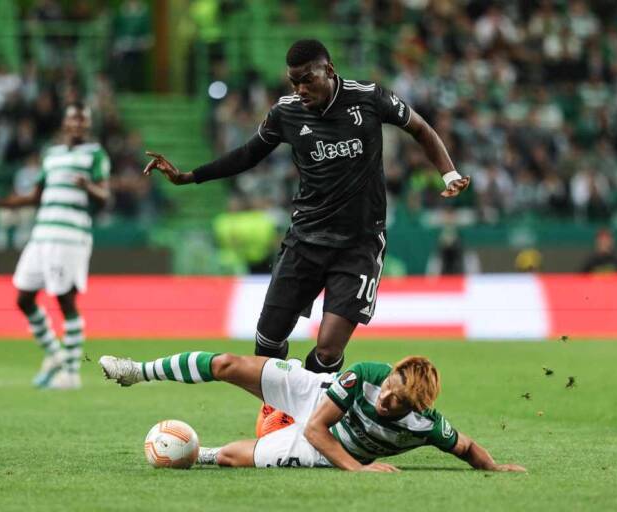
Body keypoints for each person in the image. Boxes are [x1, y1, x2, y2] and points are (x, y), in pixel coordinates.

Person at [142, 39, 469, 379]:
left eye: (306, 79)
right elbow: (247, 154)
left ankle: (311, 412)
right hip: (305, 240)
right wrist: (189, 177)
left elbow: (420, 128)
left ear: (328, 70)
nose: (299, 89)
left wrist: (449, 173)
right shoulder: (286, 112)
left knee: (328, 349)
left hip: (360, 244)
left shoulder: (369, 97)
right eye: (293, 81)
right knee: (267, 341)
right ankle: (279, 412)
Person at [99, 351, 526, 473]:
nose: (386, 398)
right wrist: (359, 472)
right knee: (228, 364)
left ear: (416, 408)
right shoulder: (367, 376)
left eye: (397, 400)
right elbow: (319, 424)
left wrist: (495, 466)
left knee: (230, 458)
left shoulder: (427, 425)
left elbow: (466, 447)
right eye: (390, 386)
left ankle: (199, 452)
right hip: (319, 400)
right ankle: (137, 371)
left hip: (326, 449)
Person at [0, 102, 110, 389]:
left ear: (88, 125)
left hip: (69, 237)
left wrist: (88, 186)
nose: (78, 125)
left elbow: (105, 197)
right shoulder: (53, 155)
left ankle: (71, 374)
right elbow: (36, 197)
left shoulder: (95, 155)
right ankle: (55, 354)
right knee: (23, 298)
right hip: (41, 235)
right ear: (65, 123)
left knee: (65, 301)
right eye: (73, 119)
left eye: (83, 121)